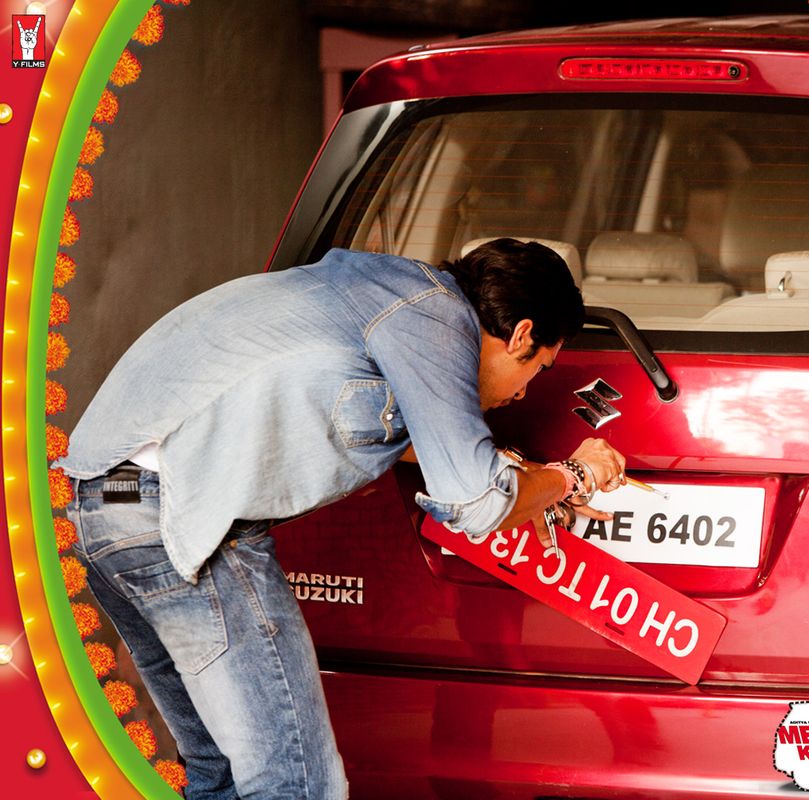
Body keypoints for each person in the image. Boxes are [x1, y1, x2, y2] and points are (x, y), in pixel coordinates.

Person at [59, 238, 626, 799]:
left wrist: (513, 475)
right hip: (177, 510)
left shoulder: (378, 291)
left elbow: (367, 414)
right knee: (296, 785)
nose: (523, 395)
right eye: (538, 369)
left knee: (220, 775)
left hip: (102, 503)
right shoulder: (435, 318)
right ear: (521, 334)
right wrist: (572, 476)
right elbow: (477, 503)